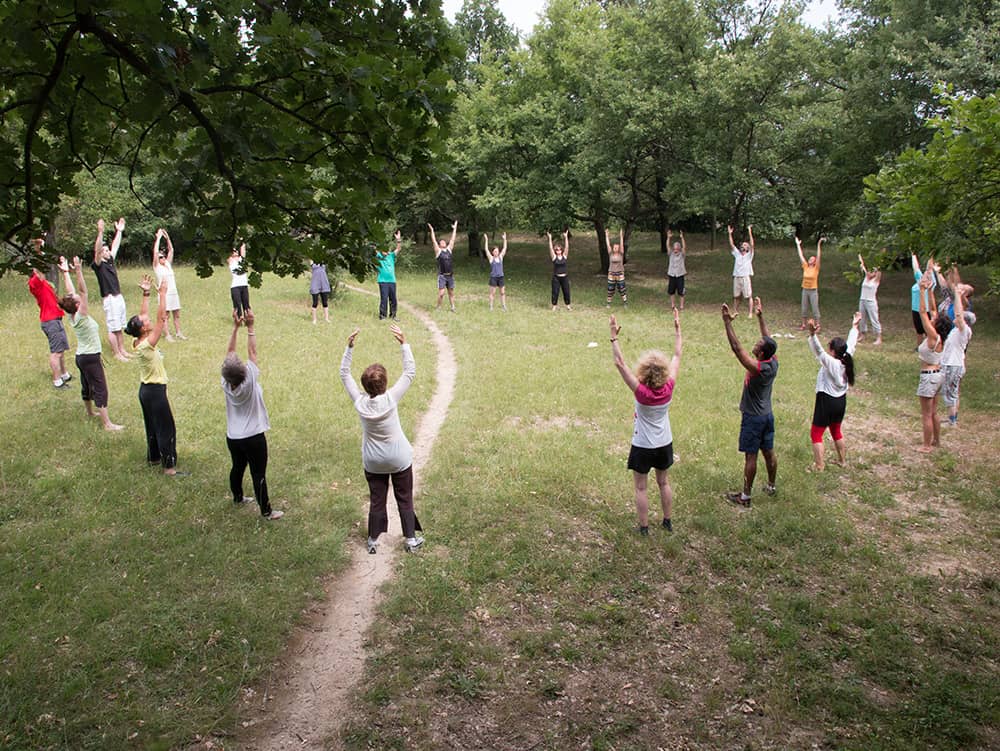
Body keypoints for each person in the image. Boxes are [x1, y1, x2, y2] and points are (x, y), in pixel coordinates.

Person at [340, 324, 424, 554]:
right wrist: (404, 343)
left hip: (374, 461)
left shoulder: (359, 403)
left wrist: (349, 347)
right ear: (385, 383)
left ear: (365, 386)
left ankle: (373, 541)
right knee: (404, 498)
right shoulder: (390, 399)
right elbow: (409, 372)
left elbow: (344, 374)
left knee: (377, 499)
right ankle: (410, 540)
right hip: (399, 458)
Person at [610, 308, 682, 535]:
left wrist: (614, 337)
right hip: (664, 442)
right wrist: (678, 331)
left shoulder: (641, 392)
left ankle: (643, 528)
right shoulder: (669, 386)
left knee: (641, 487)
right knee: (664, 483)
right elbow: (678, 356)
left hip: (642, 445)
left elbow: (620, 364)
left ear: (643, 371)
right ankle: (667, 521)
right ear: (664, 371)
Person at [221, 310, 283, 520]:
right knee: (258, 473)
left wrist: (236, 327)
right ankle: (266, 511)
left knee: (237, 467)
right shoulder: (249, 381)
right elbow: (253, 353)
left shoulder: (226, 383)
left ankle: (238, 497)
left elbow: (230, 353)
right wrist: (250, 327)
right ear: (244, 373)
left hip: (233, 437)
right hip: (254, 437)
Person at [722, 296, 778, 506]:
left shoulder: (758, 368)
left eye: (757, 344)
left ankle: (745, 497)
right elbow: (768, 338)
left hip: (754, 418)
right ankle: (771, 486)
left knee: (751, 457)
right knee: (769, 451)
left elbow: (737, 349)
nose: (755, 343)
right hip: (768, 416)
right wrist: (760, 317)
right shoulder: (773, 361)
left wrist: (727, 323)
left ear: (761, 353)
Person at [58, 256, 123, 430]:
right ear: (78, 305)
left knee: (87, 385)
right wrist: (78, 270)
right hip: (91, 357)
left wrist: (65, 273)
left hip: (81, 357)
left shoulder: (73, 315)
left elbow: (72, 293)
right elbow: (83, 291)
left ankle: (89, 412)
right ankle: (107, 423)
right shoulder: (81, 313)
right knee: (101, 388)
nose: (79, 297)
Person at [125, 275, 179, 475]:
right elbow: (160, 318)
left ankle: (154, 458)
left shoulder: (138, 341)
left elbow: (144, 314)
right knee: (166, 428)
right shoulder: (148, 344)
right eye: (144, 321)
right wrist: (162, 295)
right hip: (155, 392)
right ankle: (169, 468)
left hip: (145, 391)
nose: (146, 319)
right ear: (143, 328)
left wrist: (146, 293)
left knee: (152, 426)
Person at [806, 312, 859, 471]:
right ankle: (842, 461)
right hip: (840, 401)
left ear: (833, 351)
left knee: (816, 434)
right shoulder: (846, 358)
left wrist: (812, 334)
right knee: (836, 430)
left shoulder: (832, 363)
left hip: (826, 402)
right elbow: (852, 343)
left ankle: (819, 465)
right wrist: (854, 326)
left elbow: (819, 351)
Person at [28, 239, 72, 388]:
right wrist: (38, 248)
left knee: (61, 349)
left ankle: (64, 374)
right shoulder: (35, 283)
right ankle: (57, 381)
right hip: (50, 321)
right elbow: (39, 267)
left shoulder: (43, 283)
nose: (41, 271)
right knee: (56, 352)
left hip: (55, 319)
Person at [915, 273, 951, 452]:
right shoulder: (941, 337)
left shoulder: (932, 336)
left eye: (934, 320)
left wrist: (921, 290)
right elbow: (933, 310)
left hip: (929, 377)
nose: (932, 317)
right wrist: (929, 291)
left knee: (926, 414)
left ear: (936, 325)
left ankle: (926, 446)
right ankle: (936, 441)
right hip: (938, 375)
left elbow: (923, 312)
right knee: (934, 412)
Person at [91, 217, 130, 361]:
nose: (107, 252)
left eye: (107, 250)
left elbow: (115, 246)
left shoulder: (110, 261)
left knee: (120, 326)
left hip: (118, 296)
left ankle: (122, 350)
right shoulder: (99, 265)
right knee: (113, 328)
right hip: (110, 298)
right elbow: (97, 251)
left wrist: (119, 232)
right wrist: (100, 232)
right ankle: (116, 353)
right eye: (104, 251)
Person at [939, 266, 974, 428]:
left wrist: (959, 294)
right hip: (952, 363)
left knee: (951, 394)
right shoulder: (958, 331)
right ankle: (952, 418)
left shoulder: (962, 329)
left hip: (954, 365)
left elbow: (959, 314)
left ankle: (952, 421)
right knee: (952, 392)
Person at [152, 228, 186, 340]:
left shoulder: (167, 264)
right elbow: (155, 252)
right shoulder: (157, 267)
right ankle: (167, 335)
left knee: (176, 314)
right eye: (160, 257)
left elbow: (171, 249)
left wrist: (167, 238)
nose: (163, 258)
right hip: (164, 294)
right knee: (165, 315)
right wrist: (158, 238)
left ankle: (178, 332)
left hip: (173, 292)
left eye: (163, 256)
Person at [429, 221, 458, 311]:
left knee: (451, 293)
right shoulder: (438, 251)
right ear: (439, 245)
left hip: (450, 275)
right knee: (441, 294)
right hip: (442, 276)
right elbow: (433, 241)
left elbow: (453, 239)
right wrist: (432, 230)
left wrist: (455, 228)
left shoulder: (449, 249)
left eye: (444, 241)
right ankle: (438, 307)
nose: (443, 242)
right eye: (441, 242)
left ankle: (453, 307)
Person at [727, 224, 755, 318]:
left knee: (748, 296)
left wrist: (750, 231)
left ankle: (750, 313)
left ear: (748, 248)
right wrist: (730, 234)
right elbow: (731, 244)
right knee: (736, 296)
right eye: (742, 245)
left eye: (745, 245)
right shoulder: (737, 254)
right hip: (737, 277)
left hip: (745, 277)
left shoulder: (749, 256)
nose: (743, 246)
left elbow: (752, 244)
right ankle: (735, 311)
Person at [910, 253, 936, 349]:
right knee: (919, 330)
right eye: (924, 273)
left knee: (928, 329)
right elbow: (915, 267)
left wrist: (931, 255)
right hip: (915, 309)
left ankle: (929, 346)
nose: (925, 273)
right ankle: (919, 347)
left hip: (926, 310)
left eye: (927, 273)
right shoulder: (919, 280)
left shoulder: (930, 283)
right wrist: (913, 254)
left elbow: (929, 268)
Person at [796, 236, 823, 330]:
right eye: (810, 259)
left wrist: (819, 244)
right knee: (804, 307)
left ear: (815, 262)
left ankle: (817, 325)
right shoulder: (805, 267)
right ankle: (803, 324)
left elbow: (819, 256)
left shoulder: (816, 268)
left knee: (815, 308)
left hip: (813, 290)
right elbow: (801, 255)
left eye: (812, 259)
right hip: (805, 289)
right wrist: (798, 245)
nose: (810, 260)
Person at [376, 230, 403, 320]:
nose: (386, 251)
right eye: (384, 250)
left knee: (393, 299)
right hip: (383, 281)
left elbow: (398, 249)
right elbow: (374, 249)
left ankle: (393, 315)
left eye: (387, 250)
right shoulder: (379, 256)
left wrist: (398, 240)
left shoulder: (391, 255)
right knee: (384, 299)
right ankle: (382, 316)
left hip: (392, 281)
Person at [857, 254, 882, 345]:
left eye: (872, 271)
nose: (869, 272)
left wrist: (880, 259)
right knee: (862, 319)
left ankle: (879, 337)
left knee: (874, 318)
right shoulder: (865, 278)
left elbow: (879, 270)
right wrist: (860, 255)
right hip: (862, 300)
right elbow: (862, 264)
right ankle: (862, 335)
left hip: (871, 302)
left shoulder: (875, 281)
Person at [484, 231, 508, 311]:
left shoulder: (501, 257)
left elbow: (505, 248)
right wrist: (486, 240)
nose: (496, 252)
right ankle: (491, 307)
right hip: (493, 278)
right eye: (495, 251)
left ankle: (504, 306)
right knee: (492, 293)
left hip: (501, 277)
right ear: (493, 252)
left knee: (502, 293)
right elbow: (486, 250)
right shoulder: (491, 259)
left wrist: (505, 239)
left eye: (497, 251)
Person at [548, 230, 571, 311]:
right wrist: (550, 238)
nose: (558, 251)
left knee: (566, 292)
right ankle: (554, 306)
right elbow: (550, 248)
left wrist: (565, 237)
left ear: (561, 250)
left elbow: (567, 247)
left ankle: (568, 306)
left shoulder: (564, 256)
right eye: (557, 250)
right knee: (555, 292)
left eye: (559, 249)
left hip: (565, 277)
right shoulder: (554, 257)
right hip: (556, 278)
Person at [229, 242, 251, 321]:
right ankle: (238, 319)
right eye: (233, 250)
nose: (236, 251)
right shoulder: (231, 260)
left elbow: (243, 249)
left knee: (246, 304)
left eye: (236, 250)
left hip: (244, 285)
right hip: (235, 286)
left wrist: (242, 240)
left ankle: (248, 319)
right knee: (237, 304)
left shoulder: (242, 259)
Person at [605, 228, 627, 307]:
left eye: (616, 247)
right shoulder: (610, 254)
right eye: (614, 247)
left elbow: (621, 244)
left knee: (622, 288)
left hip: (620, 274)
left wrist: (621, 236)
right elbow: (607, 244)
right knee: (610, 289)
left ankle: (625, 302)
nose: (615, 248)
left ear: (618, 249)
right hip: (611, 273)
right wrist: (606, 236)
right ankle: (608, 304)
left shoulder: (621, 254)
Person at [667, 229, 686, 310]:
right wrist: (668, 238)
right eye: (674, 249)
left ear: (679, 249)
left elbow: (684, 247)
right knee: (671, 291)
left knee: (681, 292)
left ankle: (681, 306)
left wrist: (682, 238)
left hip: (680, 275)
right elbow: (667, 246)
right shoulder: (671, 254)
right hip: (672, 274)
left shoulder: (682, 255)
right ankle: (673, 305)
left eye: (677, 249)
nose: (675, 250)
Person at [309, 259, 332, 324]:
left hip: (323, 283)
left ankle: (327, 318)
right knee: (315, 303)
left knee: (325, 302)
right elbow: (311, 263)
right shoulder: (312, 260)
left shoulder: (323, 260)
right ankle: (314, 319)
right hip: (315, 283)